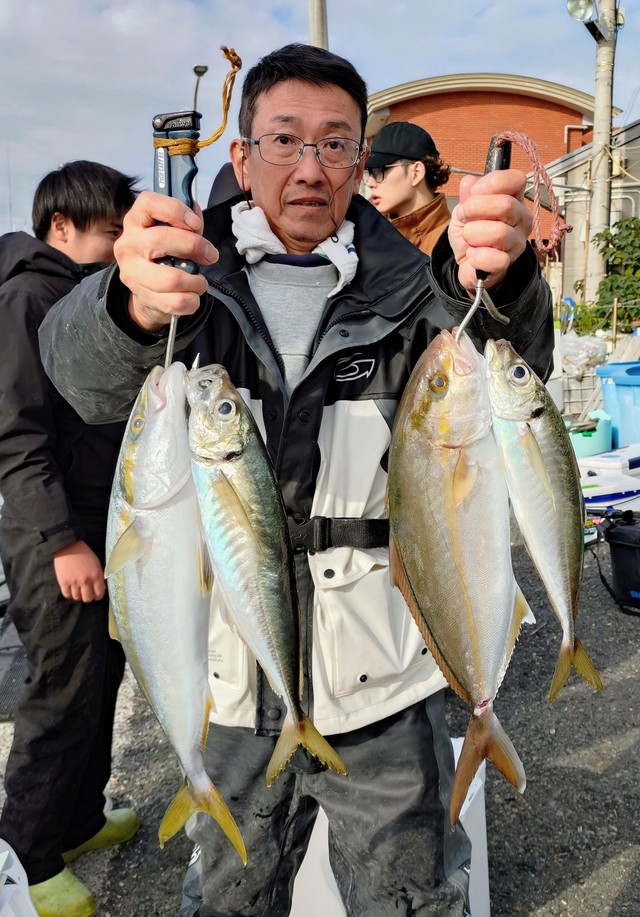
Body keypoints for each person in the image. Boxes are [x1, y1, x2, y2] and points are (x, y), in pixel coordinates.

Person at [39, 44, 554, 917]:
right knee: (231, 899)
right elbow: (78, 376)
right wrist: (123, 306)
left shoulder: (419, 291)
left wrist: (509, 278)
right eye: (284, 141)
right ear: (240, 159)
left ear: (363, 161)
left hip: (390, 688)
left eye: (335, 145)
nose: (309, 169)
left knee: (413, 901)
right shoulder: (182, 286)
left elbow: (522, 364)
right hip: (233, 693)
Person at [0, 160, 140, 917]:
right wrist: (62, 541)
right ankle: (24, 854)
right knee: (59, 687)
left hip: (100, 523)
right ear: (63, 227)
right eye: (111, 231)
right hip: (52, 532)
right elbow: (16, 438)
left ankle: (78, 817)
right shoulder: (26, 297)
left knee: (101, 676)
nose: (123, 246)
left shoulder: (85, 297)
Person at [365, 120, 452, 255]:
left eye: (379, 170)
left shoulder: (454, 245)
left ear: (416, 173)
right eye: (370, 172)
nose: (370, 182)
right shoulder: (369, 237)